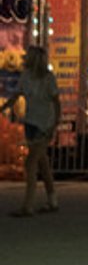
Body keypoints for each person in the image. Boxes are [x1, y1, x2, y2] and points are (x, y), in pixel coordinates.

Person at [5, 45, 60, 216]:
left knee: (31, 162)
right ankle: (52, 200)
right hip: (31, 122)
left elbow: (56, 103)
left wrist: (55, 125)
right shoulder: (26, 76)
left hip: (44, 124)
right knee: (42, 163)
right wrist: (4, 107)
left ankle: (28, 206)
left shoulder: (48, 78)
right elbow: (16, 94)